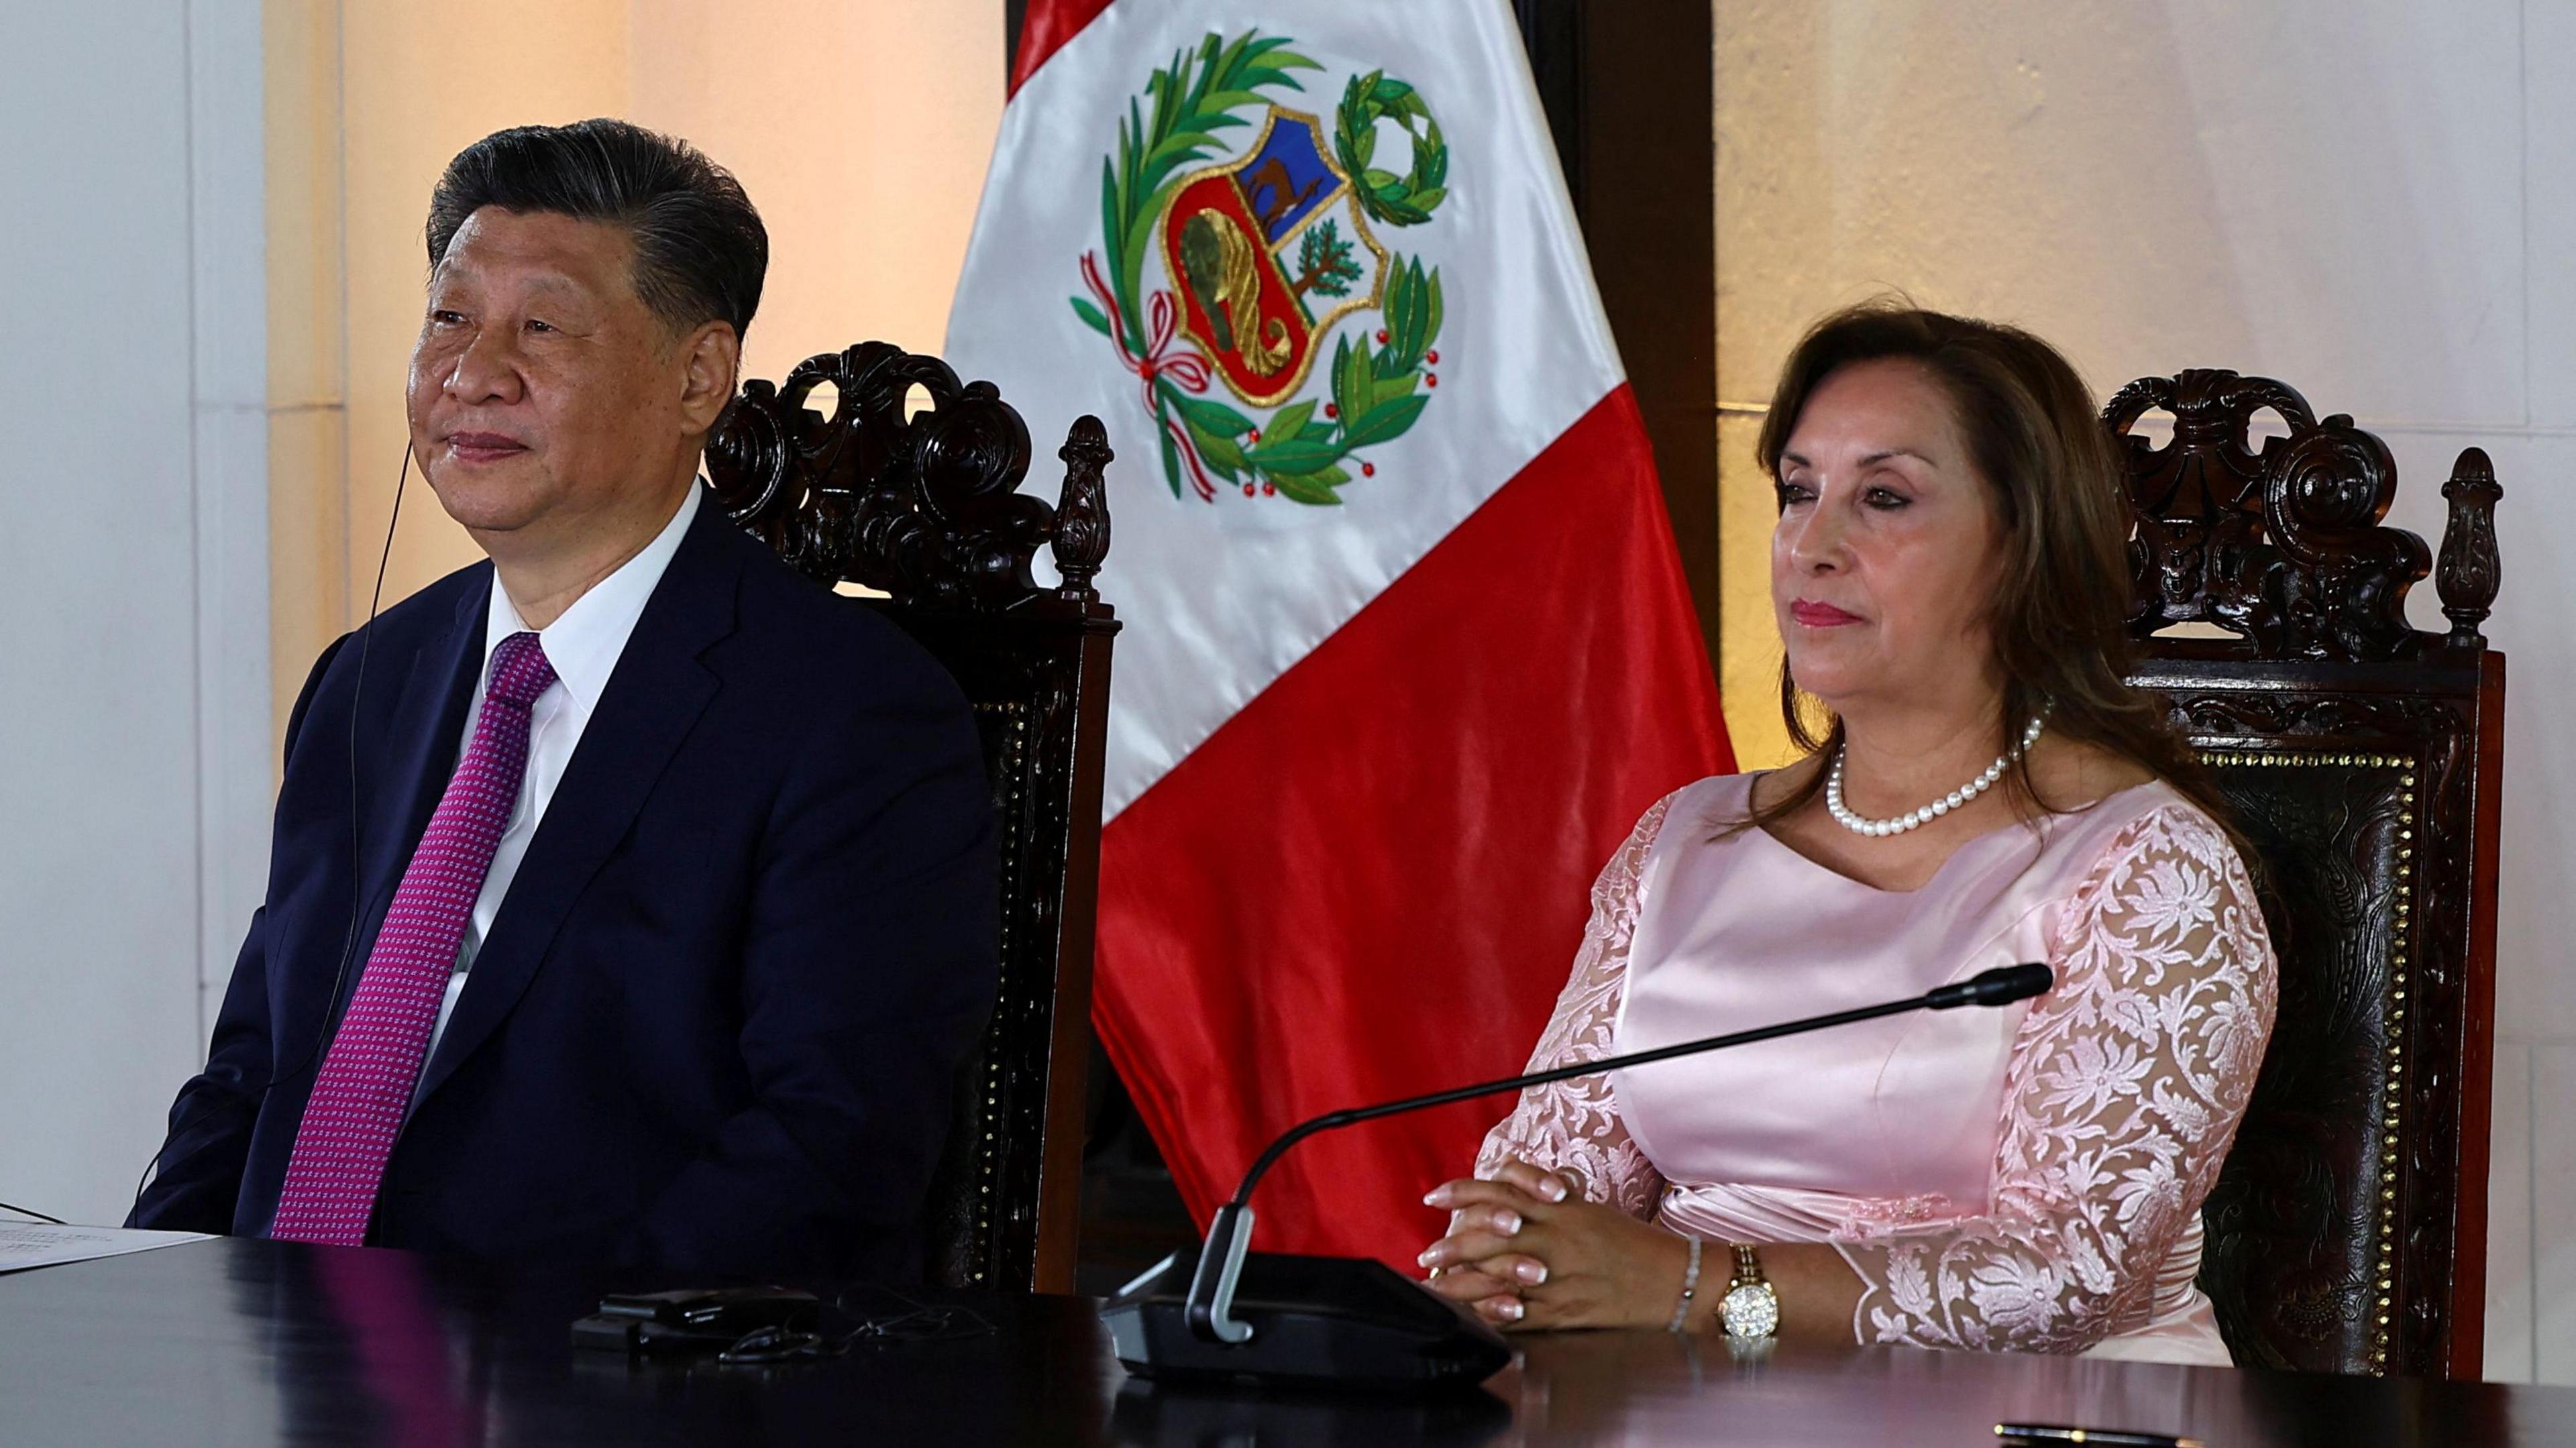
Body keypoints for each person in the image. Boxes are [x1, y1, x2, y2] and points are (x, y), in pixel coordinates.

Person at [128, 119, 998, 1280]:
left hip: (589, 1381)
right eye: (449, 318)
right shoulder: (366, 682)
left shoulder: (851, 718)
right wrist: (142, 1295)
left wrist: (535, 1367)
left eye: (540, 325)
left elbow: (832, 1148)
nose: (472, 372)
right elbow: (251, 1074)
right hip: (277, 1356)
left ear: (697, 378)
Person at [1417, 302, 2277, 1364]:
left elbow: (2072, 1277)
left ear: (2019, 547)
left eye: (1883, 497)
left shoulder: (2147, 868)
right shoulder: (1685, 842)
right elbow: (1548, 1183)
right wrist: (1508, 1253)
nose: (1812, 546)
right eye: (1798, 491)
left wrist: (1697, 1289)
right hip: (1665, 1400)